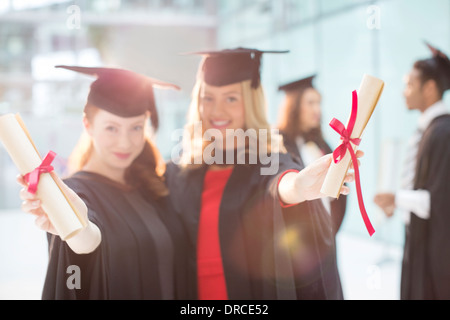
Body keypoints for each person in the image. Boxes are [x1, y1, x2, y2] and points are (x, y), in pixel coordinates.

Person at [166, 48, 361, 300]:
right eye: (208, 98)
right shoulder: (179, 172)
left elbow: (279, 181)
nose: (217, 111)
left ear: (250, 103)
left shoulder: (265, 161)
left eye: (231, 98)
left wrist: (297, 186)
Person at [17, 65, 189, 299]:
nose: (125, 143)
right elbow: (87, 242)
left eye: (136, 127)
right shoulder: (77, 193)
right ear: (88, 125)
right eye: (111, 128)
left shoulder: (154, 187)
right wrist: (77, 227)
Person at [374, 42, 450, 300]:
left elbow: (440, 201)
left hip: (434, 251)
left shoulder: (443, 133)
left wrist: (396, 198)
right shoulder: (430, 130)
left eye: (409, 84)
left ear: (429, 88)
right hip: (420, 240)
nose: (403, 92)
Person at [277, 74, 347, 233]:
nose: (317, 109)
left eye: (319, 103)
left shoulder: (321, 143)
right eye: (310, 103)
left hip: (325, 231)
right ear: (294, 107)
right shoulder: (278, 143)